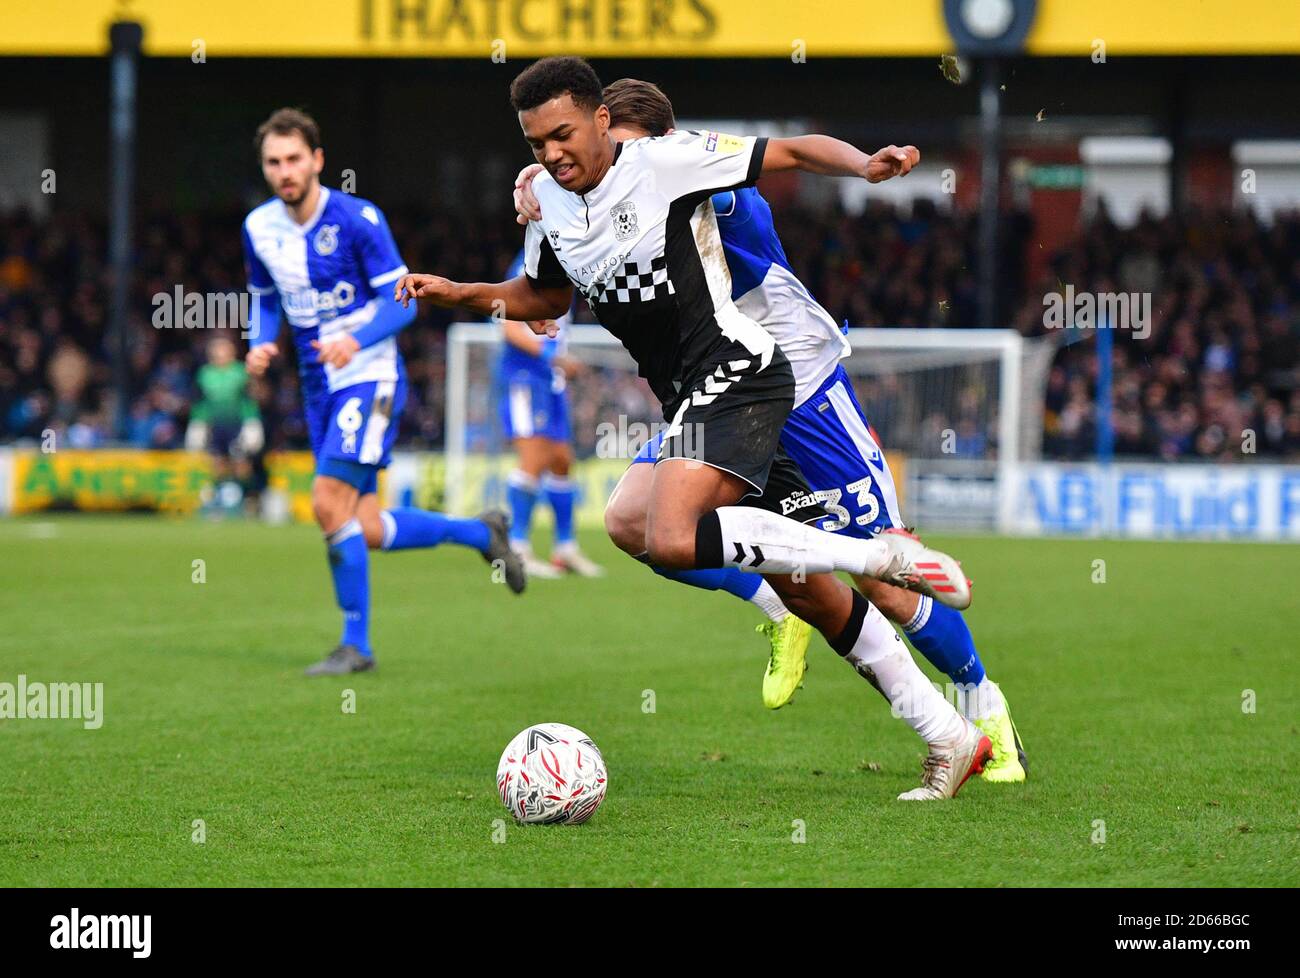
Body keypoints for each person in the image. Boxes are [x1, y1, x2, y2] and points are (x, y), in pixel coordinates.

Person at [396, 58, 989, 800]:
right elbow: (543, 291)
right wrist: (462, 292)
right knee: (646, 531)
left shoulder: (666, 163)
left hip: (740, 368)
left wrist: (865, 166)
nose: (551, 153)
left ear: (601, 120)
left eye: (563, 134)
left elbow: (794, 151)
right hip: (690, 396)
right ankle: (949, 736)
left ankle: (875, 556)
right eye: (535, 142)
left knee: (674, 533)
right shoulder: (547, 199)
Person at [241, 107, 525, 676]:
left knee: (325, 503)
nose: (284, 171)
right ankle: (479, 531)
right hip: (317, 386)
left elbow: (405, 301)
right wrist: (261, 343)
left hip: (368, 377)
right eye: (273, 162)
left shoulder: (357, 219)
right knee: (364, 527)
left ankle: (356, 647)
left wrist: (354, 337)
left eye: (294, 158)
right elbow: (267, 299)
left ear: (317, 160)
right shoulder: (258, 228)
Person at [496, 250, 603, 577]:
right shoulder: (529, 263)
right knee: (534, 458)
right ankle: (517, 547)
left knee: (561, 459)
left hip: (549, 380)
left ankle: (565, 547)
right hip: (525, 379)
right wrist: (551, 355)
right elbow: (508, 327)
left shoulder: (563, 262)